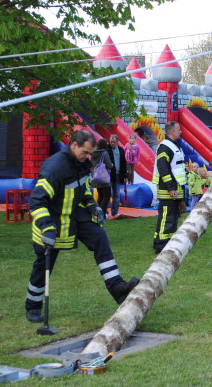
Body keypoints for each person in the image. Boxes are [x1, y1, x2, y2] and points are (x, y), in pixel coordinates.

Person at [24, 130, 139, 323]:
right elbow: (36, 202)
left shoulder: (83, 162)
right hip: (52, 221)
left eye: (90, 154)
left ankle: (117, 287)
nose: (88, 158)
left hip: (75, 215)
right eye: (85, 152)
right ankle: (33, 306)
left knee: (100, 237)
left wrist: (93, 206)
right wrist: (46, 227)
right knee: (43, 265)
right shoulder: (55, 168)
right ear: (74, 145)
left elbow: (83, 189)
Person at [153, 122, 186, 253]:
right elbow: (163, 169)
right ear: (172, 132)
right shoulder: (165, 147)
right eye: (179, 129)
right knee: (166, 218)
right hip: (168, 191)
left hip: (174, 190)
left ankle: (168, 243)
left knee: (172, 218)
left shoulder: (173, 146)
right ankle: (160, 245)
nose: (181, 131)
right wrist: (171, 187)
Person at [107, 134, 127, 218]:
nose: (112, 143)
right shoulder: (106, 149)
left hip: (118, 175)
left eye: (113, 142)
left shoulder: (121, 150)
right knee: (107, 194)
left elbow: (123, 163)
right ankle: (105, 213)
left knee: (117, 195)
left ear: (117, 142)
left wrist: (125, 175)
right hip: (108, 175)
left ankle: (114, 212)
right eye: (111, 141)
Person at [91, 139, 113, 216]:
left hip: (96, 178)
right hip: (104, 178)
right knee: (106, 196)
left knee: (100, 196)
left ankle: (97, 213)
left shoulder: (94, 153)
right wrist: (112, 165)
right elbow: (109, 165)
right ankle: (102, 214)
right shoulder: (104, 153)